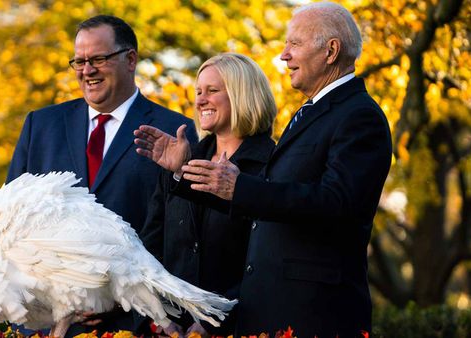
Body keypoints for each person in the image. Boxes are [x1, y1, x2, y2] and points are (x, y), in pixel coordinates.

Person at [135, 2, 393, 337]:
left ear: (331, 51)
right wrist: (183, 172)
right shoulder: (313, 113)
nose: (283, 56)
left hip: (314, 314)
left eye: (294, 44)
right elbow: (268, 204)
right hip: (272, 314)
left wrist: (239, 187)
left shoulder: (359, 115)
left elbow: (337, 202)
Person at [6, 14, 197, 335]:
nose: (87, 70)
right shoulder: (41, 126)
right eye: (79, 61)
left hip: (134, 321)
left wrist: (122, 301)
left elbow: (179, 234)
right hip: (47, 324)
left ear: (131, 59)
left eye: (98, 59)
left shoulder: (174, 131)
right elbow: (11, 226)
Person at [135, 53, 276, 337]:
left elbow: (268, 261)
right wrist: (158, 315)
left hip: (240, 327)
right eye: (198, 91)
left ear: (242, 95)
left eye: (212, 91)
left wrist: (217, 319)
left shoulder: (273, 164)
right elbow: (150, 247)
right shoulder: (182, 160)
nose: (200, 100)